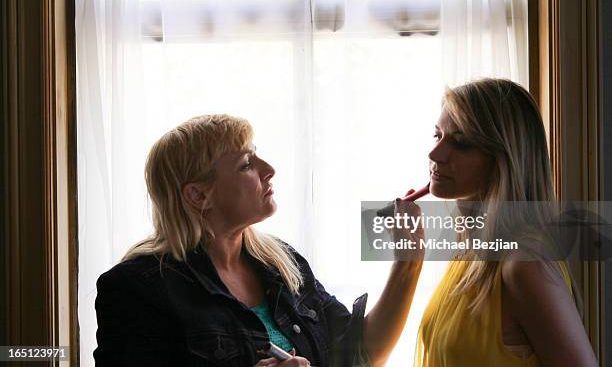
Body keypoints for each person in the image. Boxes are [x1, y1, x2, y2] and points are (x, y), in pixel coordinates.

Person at [93, 114, 423, 367]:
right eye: (246, 165)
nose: (269, 170)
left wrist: (408, 260)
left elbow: (360, 354)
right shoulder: (136, 289)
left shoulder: (282, 262)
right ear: (198, 195)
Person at [415, 78, 597, 366]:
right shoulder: (472, 253)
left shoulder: (524, 266)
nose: (434, 154)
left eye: (460, 143)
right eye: (437, 136)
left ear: (504, 159)